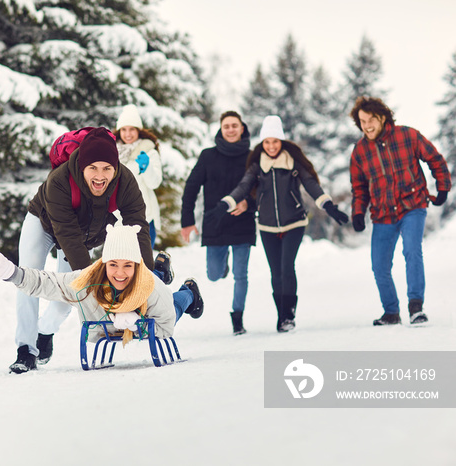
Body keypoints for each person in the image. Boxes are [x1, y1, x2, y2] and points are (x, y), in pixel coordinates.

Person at [11, 127, 160, 374]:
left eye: (107, 169)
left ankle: (44, 332)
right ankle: (25, 350)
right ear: (81, 166)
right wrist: (91, 280)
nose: (100, 176)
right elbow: (67, 235)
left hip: (85, 232)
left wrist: (146, 276)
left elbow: (138, 228)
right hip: (45, 223)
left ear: (116, 168)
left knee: (67, 300)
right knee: (28, 278)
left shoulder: (125, 182)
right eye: (93, 168)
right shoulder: (59, 181)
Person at [0, 223, 204, 373]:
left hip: (152, 302)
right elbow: (50, 283)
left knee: (174, 303)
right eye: (113, 264)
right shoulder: (89, 282)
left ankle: (188, 291)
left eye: (127, 265)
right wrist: (11, 272)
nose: (119, 271)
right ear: (103, 264)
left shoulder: (155, 292)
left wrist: (137, 321)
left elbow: (166, 327)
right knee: (126, 282)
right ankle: (160, 271)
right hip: (137, 284)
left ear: (136, 265)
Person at [216, 115, 349, 332]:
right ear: (262, 144)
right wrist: (226, 203)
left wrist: (328, 206)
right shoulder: (258, 166)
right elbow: (242, 187)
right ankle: (281, 316)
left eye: (275, 141)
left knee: (287, 268)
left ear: (281, 142)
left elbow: (311, 185)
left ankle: (288, 315)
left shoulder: (293, 163)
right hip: (267, 226)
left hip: (294, 223)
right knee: (275, 272)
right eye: (267, 142)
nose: (271, 146)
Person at [349, 96, 452, 326]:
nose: (366, 126)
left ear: (382, 117)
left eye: (370, 120)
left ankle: (416, 307)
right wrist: (358, 212)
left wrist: (442, 187)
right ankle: (391, 312)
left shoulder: (408, 135)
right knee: (379, 265)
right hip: (383, 213)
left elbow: (435, 159)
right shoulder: (359, 152)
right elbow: (359, 187)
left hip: (412, 205)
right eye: (362, 121)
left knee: (412, 250)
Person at [180, 111, 256, 336]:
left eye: (235, 125)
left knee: (241, 274)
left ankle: (238, 318)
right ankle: (222, 266)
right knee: (213, 274)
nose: (231, 129)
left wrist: (248, 204)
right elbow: (191, 188)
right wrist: (187, 221)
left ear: (242, 128)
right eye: (227, 126)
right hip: (215, 222)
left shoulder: (252, 157)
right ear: (221, 130)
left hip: (243, 222)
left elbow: (261, 190)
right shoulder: (207, 156)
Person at [114, 104, 163, 248]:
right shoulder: (112, 153)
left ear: (138, 131)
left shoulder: (149, 152)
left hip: (145, 216)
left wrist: (146, 168)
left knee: (143, 264)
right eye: (124, 129)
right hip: (118, 218)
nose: (128, 134)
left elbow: (154, 183)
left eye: (132, 129)